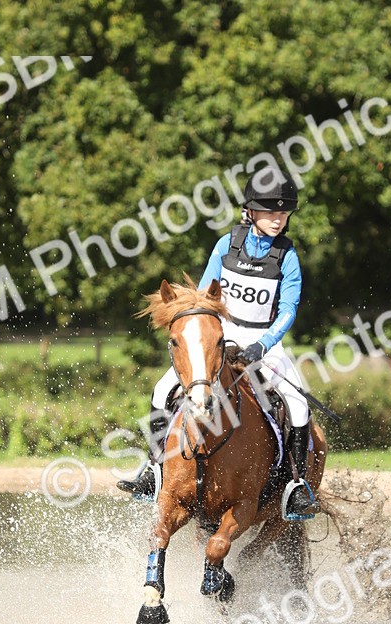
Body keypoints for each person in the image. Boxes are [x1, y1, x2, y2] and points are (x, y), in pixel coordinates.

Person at [118, 168, 316, 519]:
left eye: (284, 214)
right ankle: (152, 469)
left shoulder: (288, 257)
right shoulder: (226, 245)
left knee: (298, 404)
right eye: (271, 212)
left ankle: (295, 486)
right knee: (161, 390)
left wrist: (264, 344)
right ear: (251, 211)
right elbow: (206, 295)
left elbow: (288, 310)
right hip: (219, 336)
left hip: (264, 339)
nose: (278, 220)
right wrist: (208, 331)